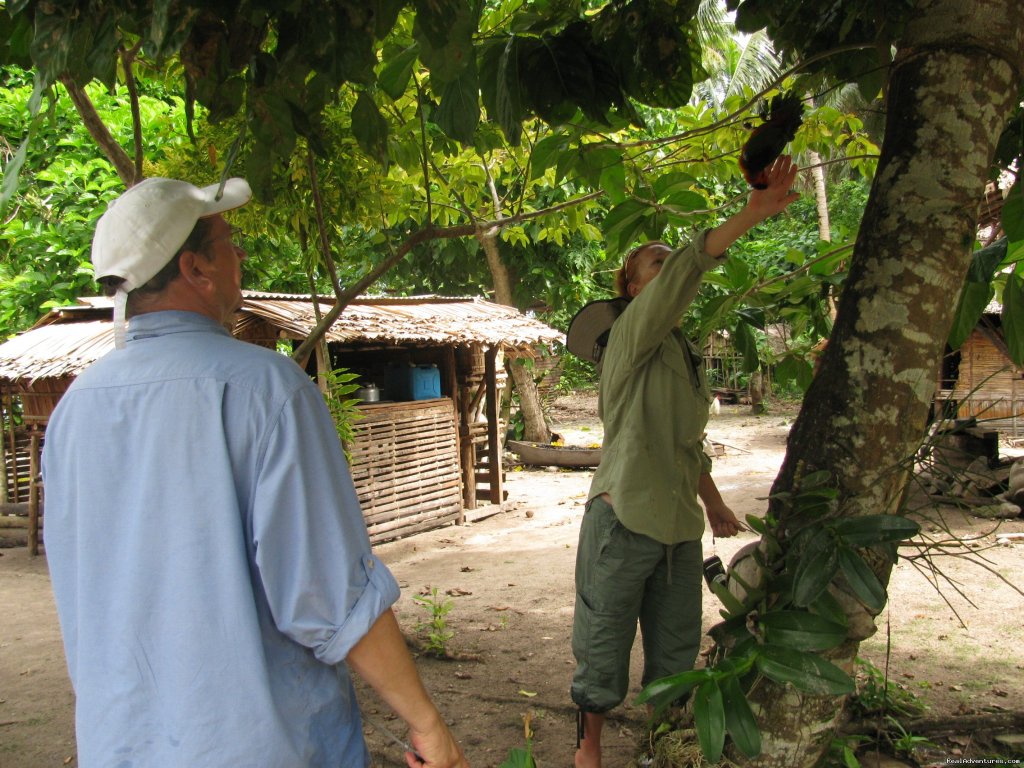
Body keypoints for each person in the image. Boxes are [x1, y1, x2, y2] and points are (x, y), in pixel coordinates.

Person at [42, 177, 469, 768]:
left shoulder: (75, 409)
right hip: (260, 747)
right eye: (229, 241)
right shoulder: (266, 388)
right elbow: (328, 594)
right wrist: (427, 724)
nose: (240, 254)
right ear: (196, 268)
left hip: (121, 745)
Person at [571, 156, 799, 767]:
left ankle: (659, 748)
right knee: (602, 643)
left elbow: (685, 441)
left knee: (675, 654)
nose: (668, 265)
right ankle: (587, 750)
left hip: (676, 527)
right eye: (656, 261)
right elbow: (689, 272)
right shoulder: (630, 334)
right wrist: (751, 213)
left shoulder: (683, 351)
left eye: (671, 257)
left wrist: (714, 499)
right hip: (623, 518)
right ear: (633, 287)